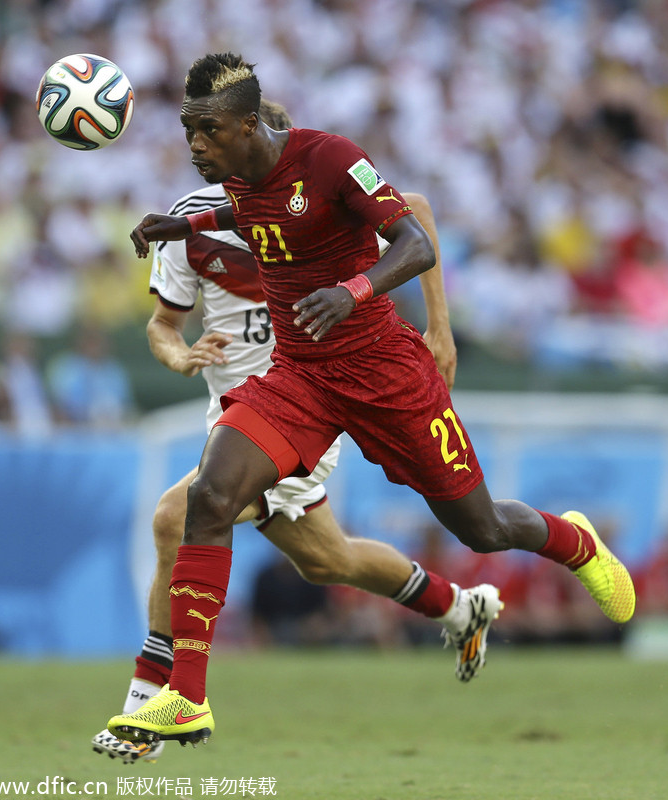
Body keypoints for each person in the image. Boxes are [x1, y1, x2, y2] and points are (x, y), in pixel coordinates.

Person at [108, 53, 635, 748]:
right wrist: (177, 228)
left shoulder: (330, 159)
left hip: (385, 374)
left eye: (204, 132)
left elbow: (412, 240)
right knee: (206, 498)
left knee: (480, 529)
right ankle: (186, 697)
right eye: (188, 133)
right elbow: (246, 214)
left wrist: (356, 292)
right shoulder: (240, 182)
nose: (194, 147)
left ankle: (573, 541)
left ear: (243, 125)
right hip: (301, 378)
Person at [93, 99, 500, 764]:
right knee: (325, 559)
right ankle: (458, 607)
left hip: (302, 407)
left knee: (178, 515)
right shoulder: (195, 219)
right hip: (232, 415)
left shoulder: (314, 203)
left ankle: (146, 706)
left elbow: (415, 211)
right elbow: (162, 325)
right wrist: (181, 354)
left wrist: (439, 329)